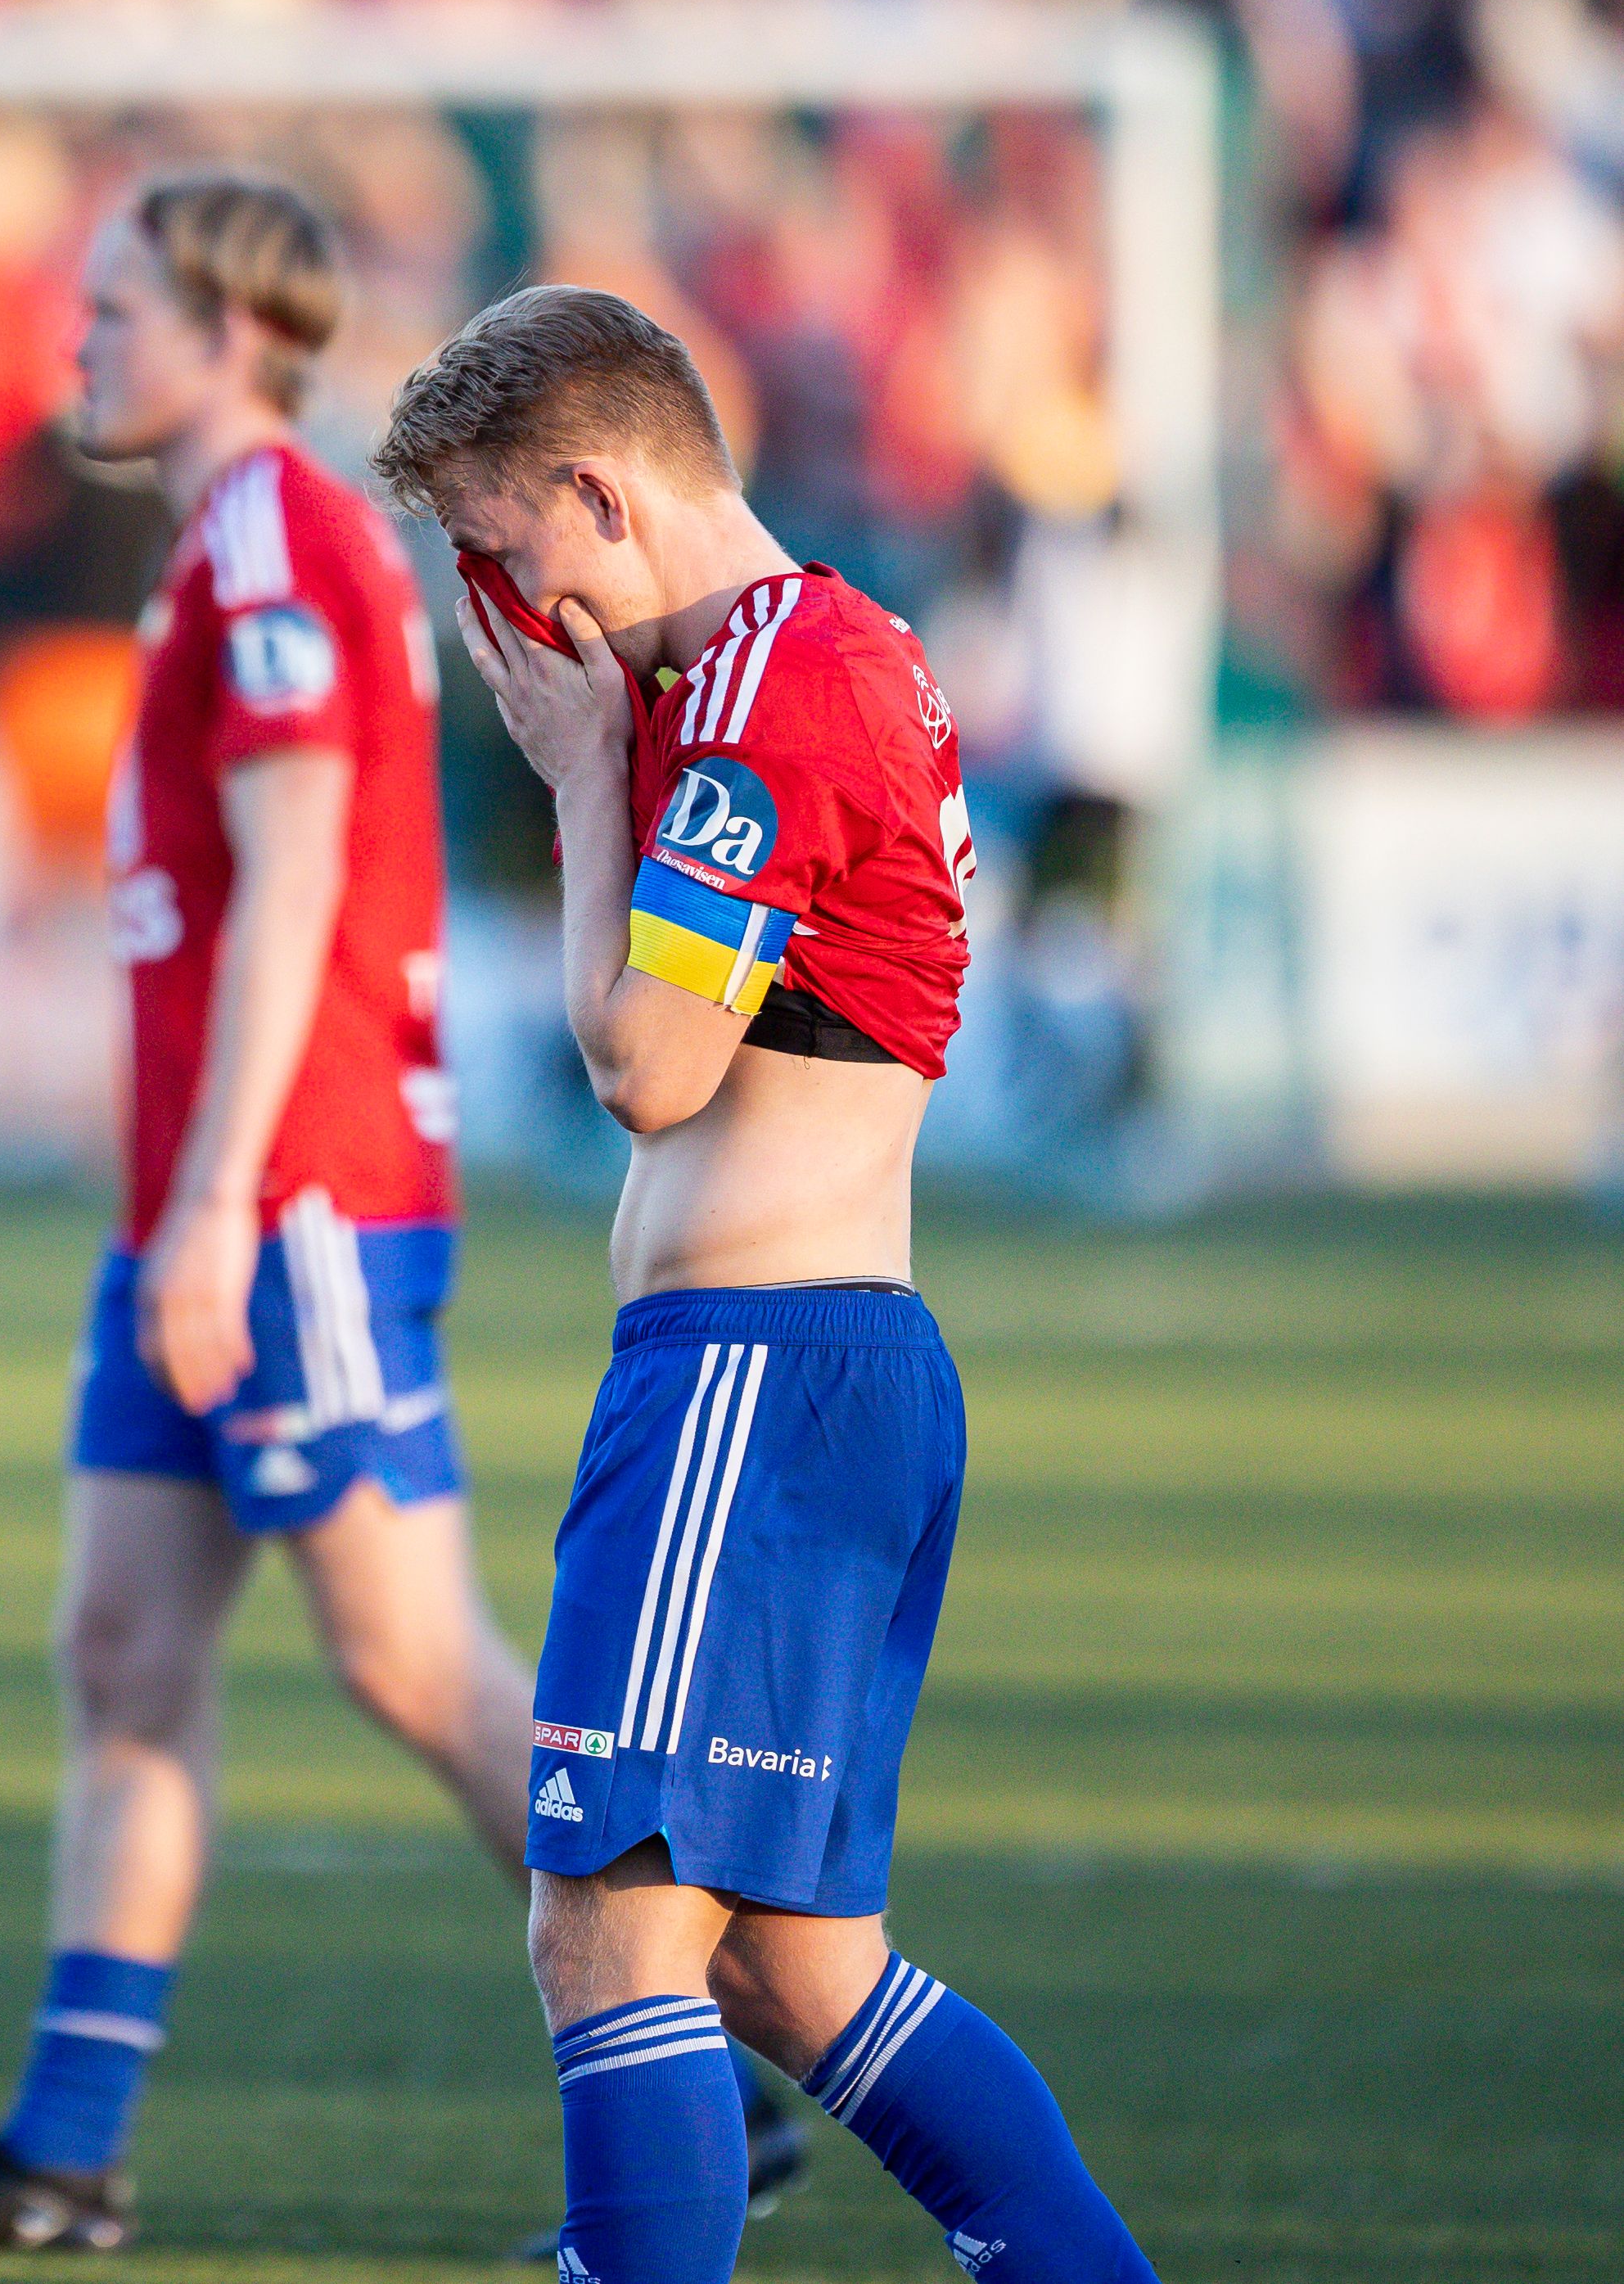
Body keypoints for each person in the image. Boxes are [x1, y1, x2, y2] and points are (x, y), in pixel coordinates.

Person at [0, 174, 776, 2255]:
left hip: (288, 1201)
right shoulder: (230, 542)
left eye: (115, 308)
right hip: (213, 1199)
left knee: (410, 1656)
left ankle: (714, 2058)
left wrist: (219, 1202)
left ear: (236, 332)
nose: (77, 344)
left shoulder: (268, 535)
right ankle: (62, 2152)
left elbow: (301, 864)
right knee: (122, 1645)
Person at [380, 282, 1157, 2284]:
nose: (509, 606)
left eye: (504, 545)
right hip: (816, 1369)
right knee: (794, 1969)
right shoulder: (808, 653)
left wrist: (578, 778)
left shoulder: (768, 680)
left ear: (598, 487)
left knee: (604, 1930)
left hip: (752, 1378)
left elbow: (646, 1066)